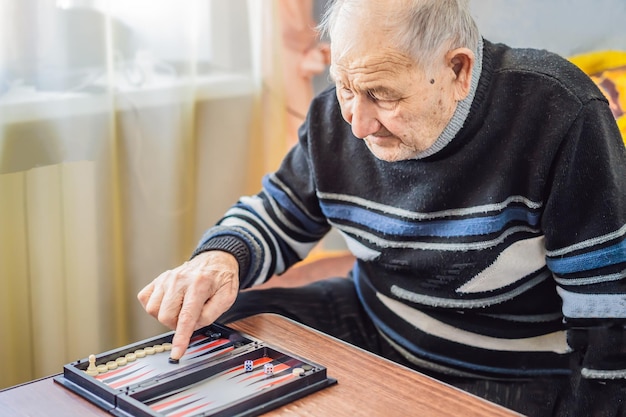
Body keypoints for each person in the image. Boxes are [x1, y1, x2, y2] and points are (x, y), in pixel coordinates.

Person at [138, 0, 626, 415]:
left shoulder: (559, 112)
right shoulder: (338, 114)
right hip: (372, 320)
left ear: (458, 70)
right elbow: (281, 209)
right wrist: (219, 258)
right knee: (222, 330)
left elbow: (608, 309)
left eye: (382, 95)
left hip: (507, 366)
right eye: (345, 86)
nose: (358, 123)